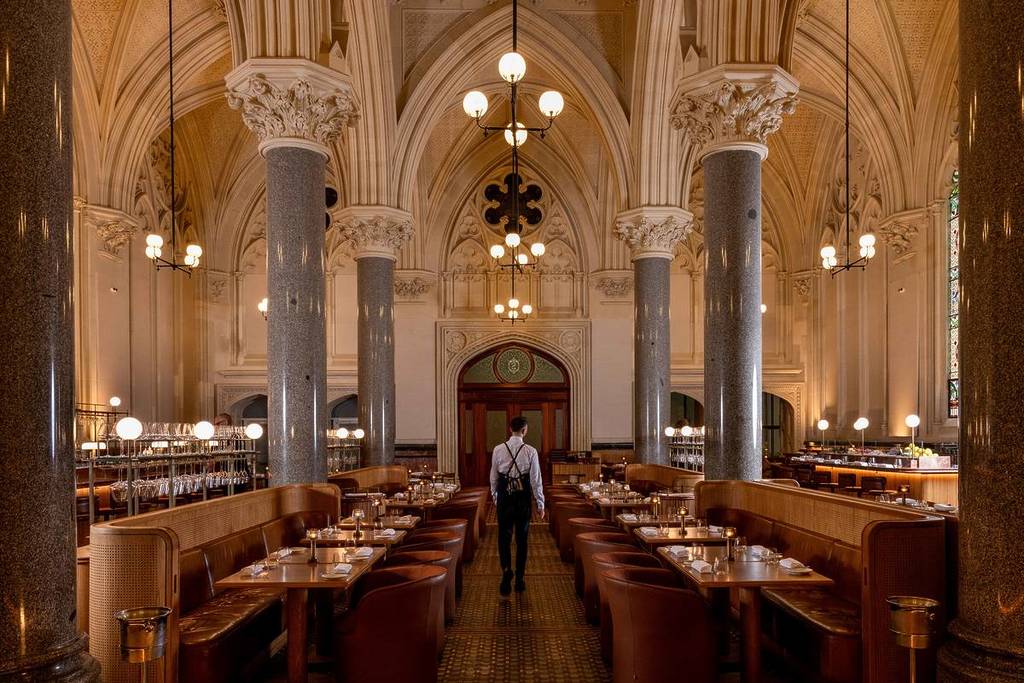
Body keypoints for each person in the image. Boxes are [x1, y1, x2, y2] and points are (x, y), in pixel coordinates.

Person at [490, 415, 545, 596]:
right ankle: (520, 578)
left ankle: (506, 569)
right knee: (522, 539)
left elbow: (493, 477)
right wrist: (540, 503)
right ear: (524, 430)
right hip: (522, 499)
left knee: (504, 537)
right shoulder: (531, 451)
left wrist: (496, 497)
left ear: (510, 429)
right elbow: (536, 480)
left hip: (505, 498)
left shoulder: (498, 449)